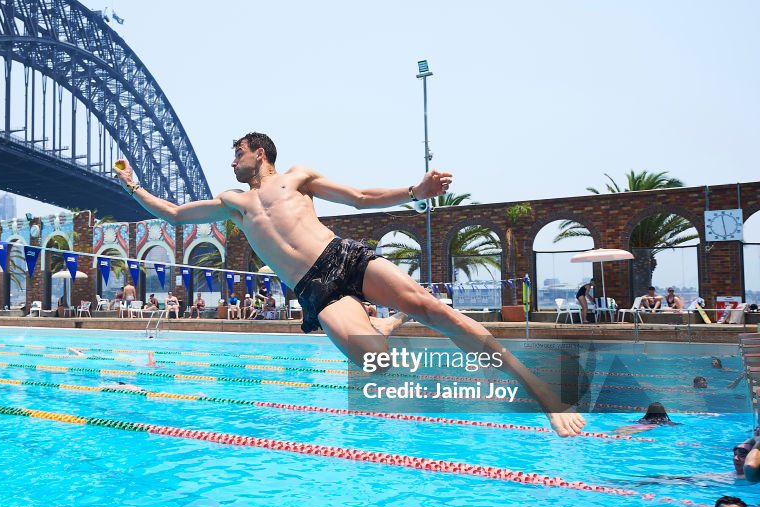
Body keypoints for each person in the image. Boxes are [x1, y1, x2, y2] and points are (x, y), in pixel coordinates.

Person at [113, 131, 585, 436]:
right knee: (375, 362)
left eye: (235, 152)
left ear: (259, 152)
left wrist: (414, 193)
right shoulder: (233, 202)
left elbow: (359, 198)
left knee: (434, 309)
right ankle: (386, 327)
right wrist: (133, 186)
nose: (230, 161)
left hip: (343, 256)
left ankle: (542, 394)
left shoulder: (298, 177)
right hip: (315, 289)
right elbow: (174, 215)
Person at [612, 402, 679, 436]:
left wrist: (628, 421)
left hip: (638, 424)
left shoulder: (642, 419)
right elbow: (673, 425)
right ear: (662, 411)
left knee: (615, 432)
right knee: (622, 435)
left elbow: (635, 421)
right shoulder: (664, 421)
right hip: (651, 426)